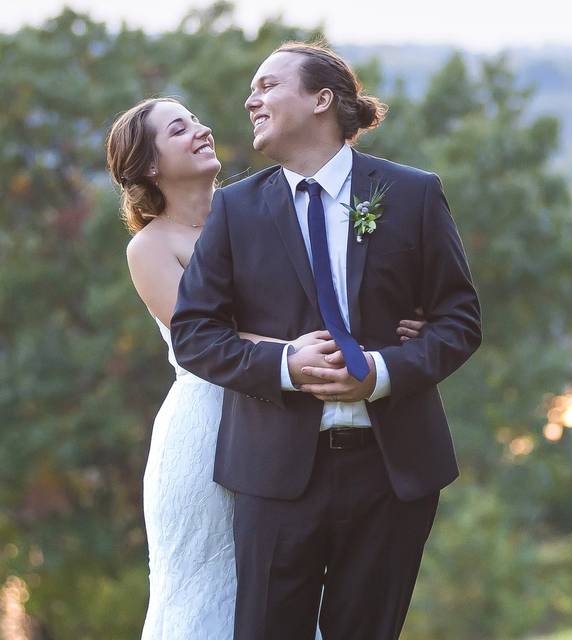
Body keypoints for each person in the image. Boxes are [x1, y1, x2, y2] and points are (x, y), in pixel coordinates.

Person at [170, 41, 482, 639]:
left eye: (267, 86)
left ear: (321, 100)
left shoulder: (413, 194)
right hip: (274, 475)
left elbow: (459, 318)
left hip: (392, 475)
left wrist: (382, 372)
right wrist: (285, 364)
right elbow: (194, 334)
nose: (249, 99)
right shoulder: (235, 209)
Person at [106, 97, 427, 639]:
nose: (201, 130)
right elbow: (203, 335)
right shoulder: (152, 246)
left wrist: (396, 329)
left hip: (287, 425)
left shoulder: (259, 214)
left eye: (197, 119)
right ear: (150, 166)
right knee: (210, 586)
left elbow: (332, 290)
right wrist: (329, 350)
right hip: (207, 427)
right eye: (179, 129)